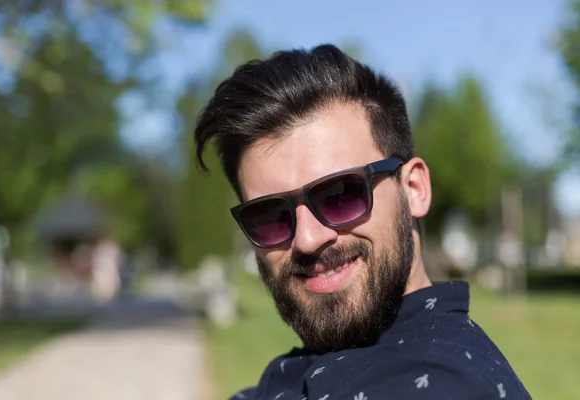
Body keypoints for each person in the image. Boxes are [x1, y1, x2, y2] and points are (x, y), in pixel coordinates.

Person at [194, 45, 531, 400]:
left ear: (414, 189)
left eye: (340, 194)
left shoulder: (448, 386)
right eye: (270, 215)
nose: (308, 239)